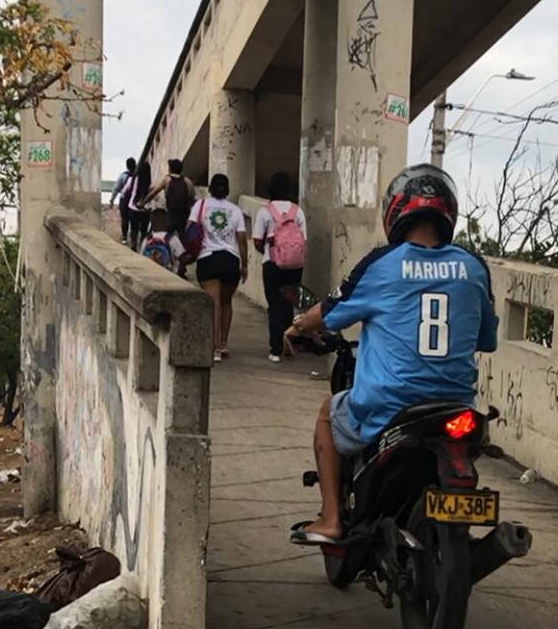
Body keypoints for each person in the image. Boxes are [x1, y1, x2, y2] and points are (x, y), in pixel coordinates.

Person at [283, 165, 497, 542]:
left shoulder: (382, 264)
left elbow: (331, 312)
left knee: (327, 415)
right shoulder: (474, 267)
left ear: (396, 211)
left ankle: (331, 519)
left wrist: (298, 327)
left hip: (391, 405)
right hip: (456, 405)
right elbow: (486, 340)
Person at [193, 173, 248, 363]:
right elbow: (241, 239)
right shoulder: (235, 210)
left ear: (210, 188)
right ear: (228, 189)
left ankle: (214, 347)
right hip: (230, 260)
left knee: (213, 304)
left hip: (207, 258)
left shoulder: (200, 206)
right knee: (226, 302)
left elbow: (191, 229)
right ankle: (223, 343)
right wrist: (245, 265)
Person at [253, 171, 308, 362]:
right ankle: (289, 343)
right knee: (289, 304)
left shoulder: (265, 211)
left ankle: (275, 349)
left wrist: (272, 252)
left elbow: (258, 241)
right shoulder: (298, 211)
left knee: (275, 305)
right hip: (295, 265)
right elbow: (304, 240)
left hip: (272, 264)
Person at [124, 158, 153, 251]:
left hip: (133, 208)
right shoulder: (149, 184)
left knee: (134, 230)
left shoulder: (132, 180)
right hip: (145, 210)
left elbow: (124, 191)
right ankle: (142, 249)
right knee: (143, 232)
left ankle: (133, 247)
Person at [110, 156, 136, 243]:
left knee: (124, 219)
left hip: (124, 200)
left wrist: (112, 200)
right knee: (133, 220)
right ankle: (133, 239)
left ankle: (124, 237)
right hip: (134, 201)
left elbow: (116, 188)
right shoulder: (137, 176)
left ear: (127, 166)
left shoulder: (123, 176)